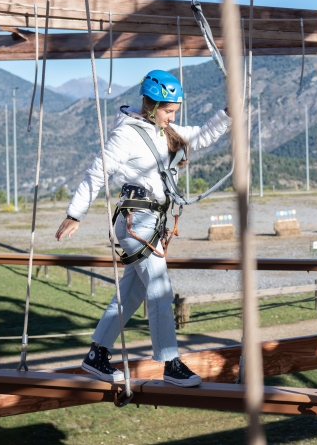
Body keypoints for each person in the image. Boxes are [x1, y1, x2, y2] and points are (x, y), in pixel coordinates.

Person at [55, 70, 231, 387]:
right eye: (168, 111)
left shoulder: (162, 130)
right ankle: (170, 363)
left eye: (174, 112)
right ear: (150, 105)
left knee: (133, 293)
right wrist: (75, 213)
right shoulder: (126, 135)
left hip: (149, 222)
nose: (171, 117)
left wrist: (229, 114)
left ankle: (96, 355)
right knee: (160, 290)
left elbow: (202, 136)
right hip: (136, 221)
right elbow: (97, 173)